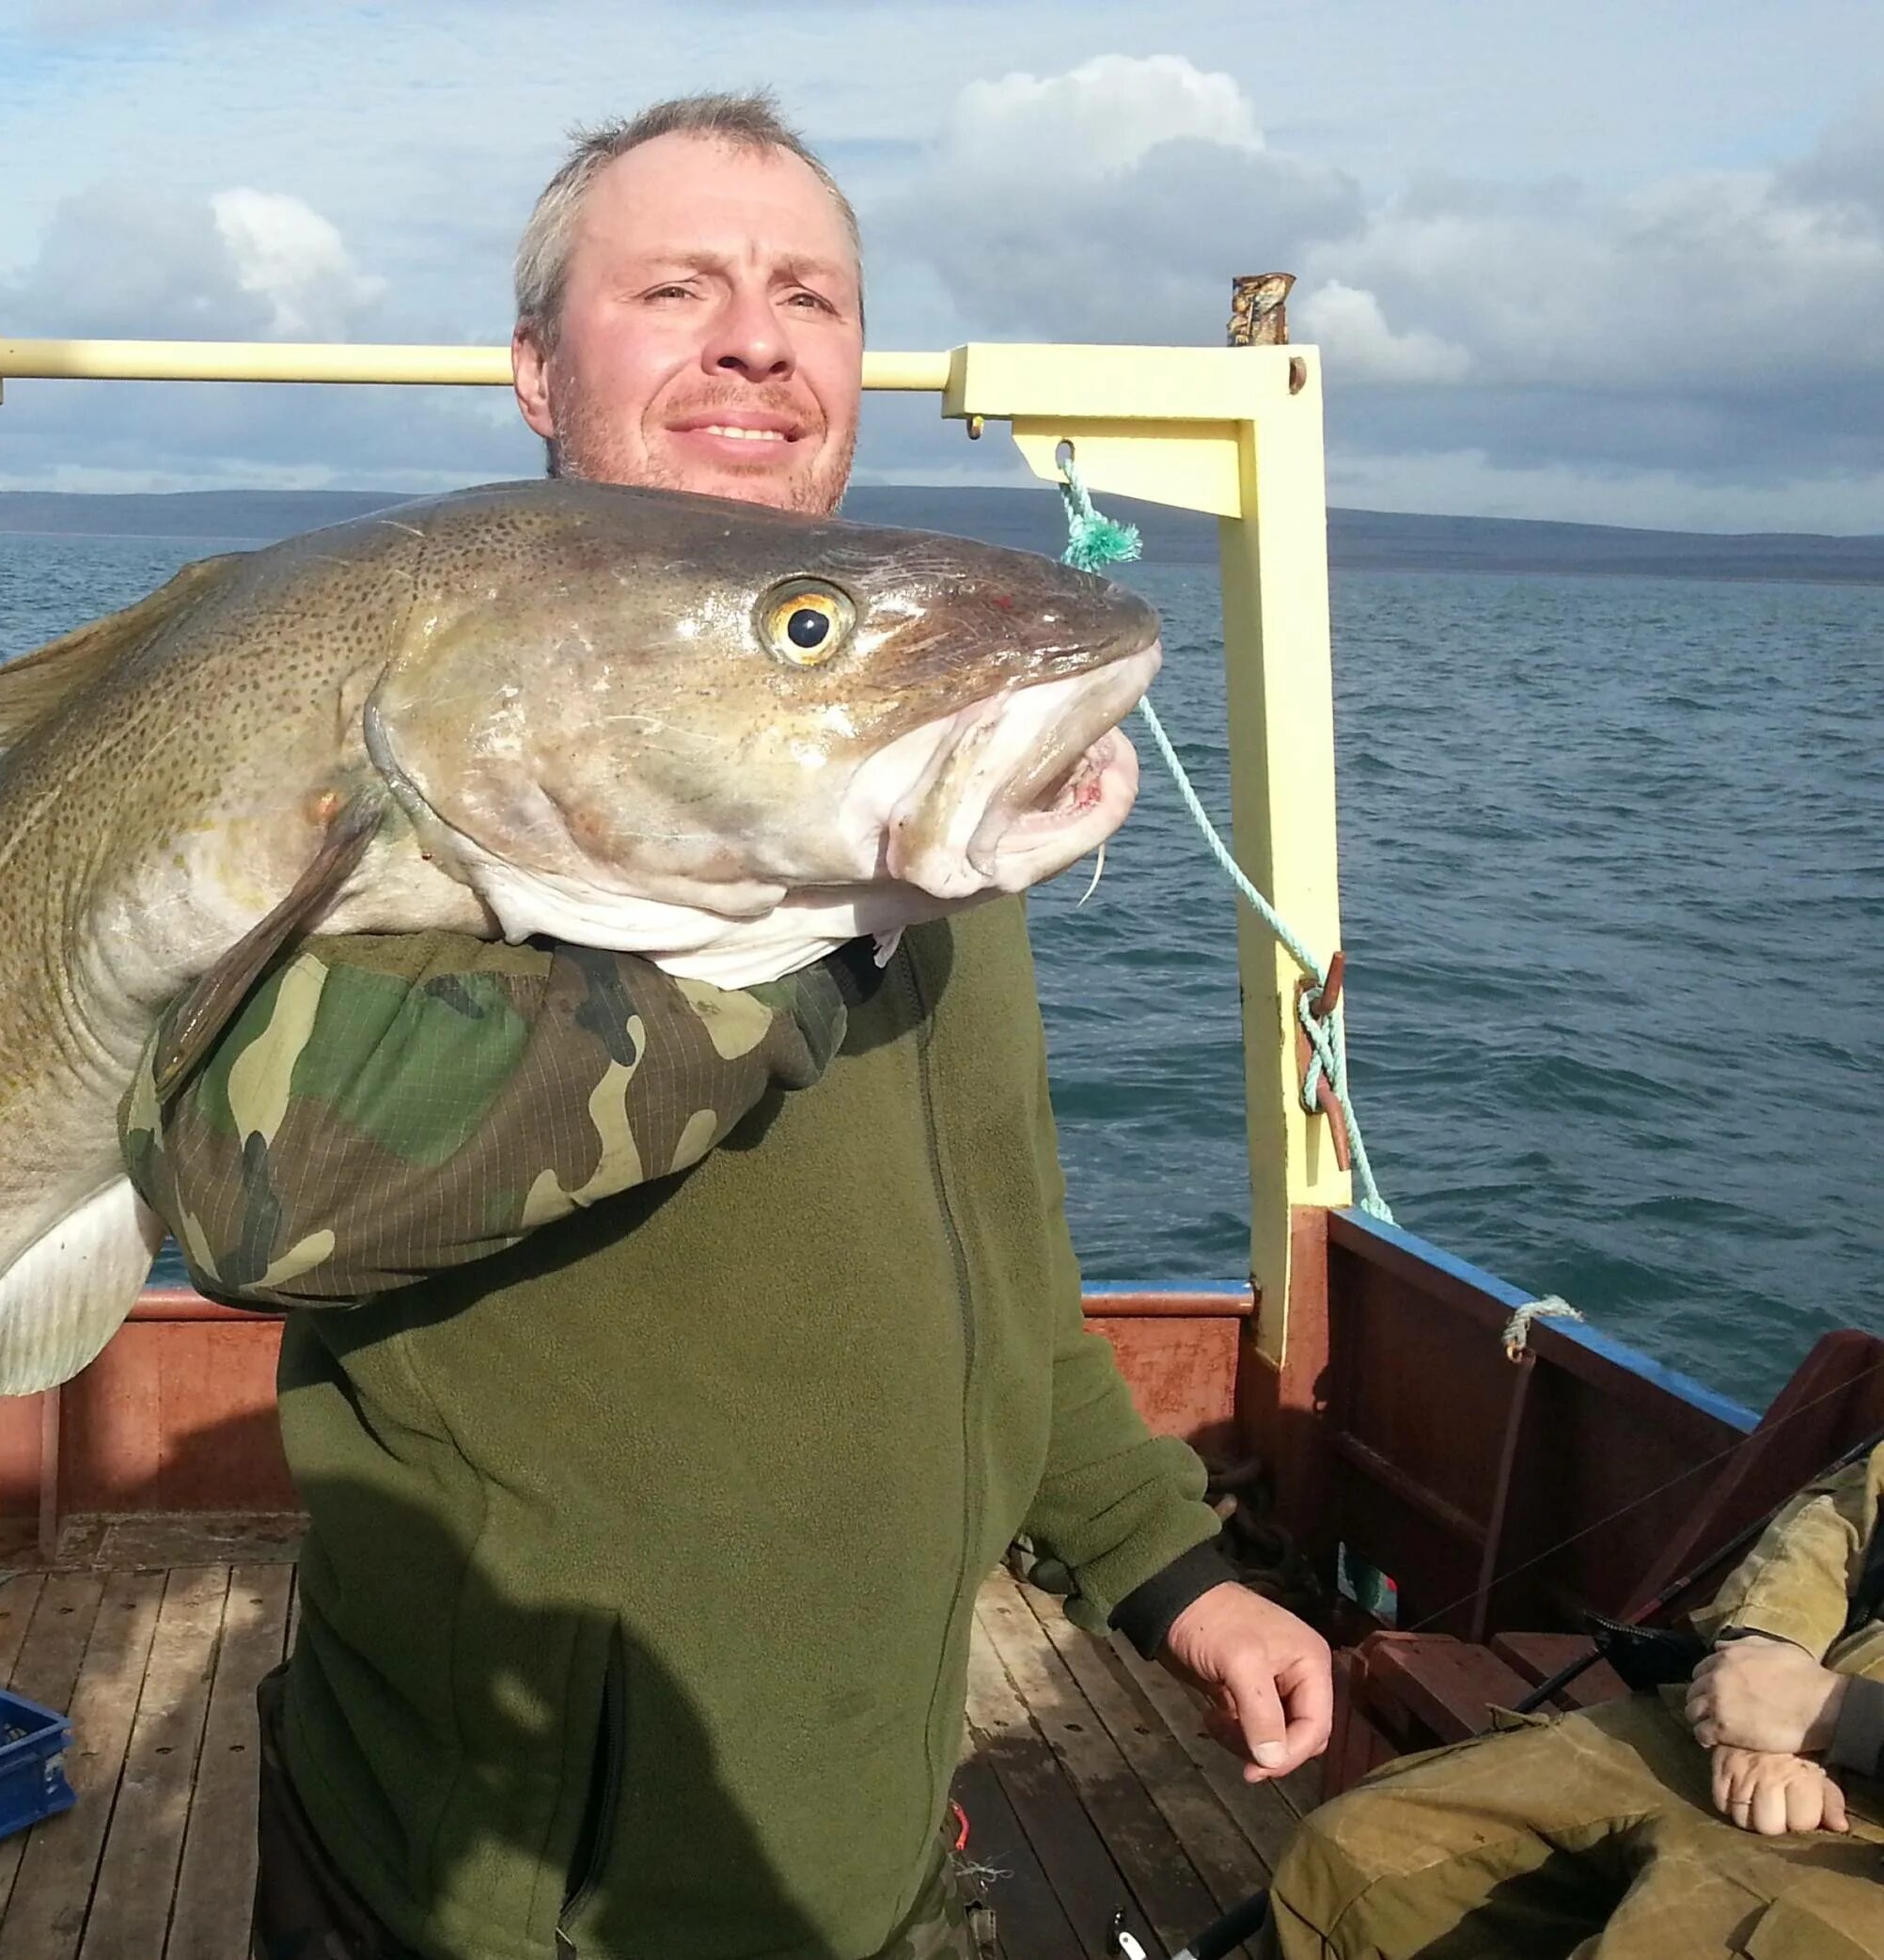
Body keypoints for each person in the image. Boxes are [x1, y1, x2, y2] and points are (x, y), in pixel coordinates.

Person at [123, 92, 1331, 1960]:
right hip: (507, 1895)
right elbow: (261, 1196)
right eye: (675, 286)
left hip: (859, 1845)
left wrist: (1160, 1562)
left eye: (810, 296)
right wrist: (782, 938)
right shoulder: (420, 752)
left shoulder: (908, 777)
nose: (757, 336)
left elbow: (998, 1263)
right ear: (534, 367)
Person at [1267, 1439, 1884, 1958]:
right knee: (1348, 1865)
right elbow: (1846, 1509)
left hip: (1851, 1849)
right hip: (1738, 1725)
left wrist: (1836, 1713)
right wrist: (1767, 1655)